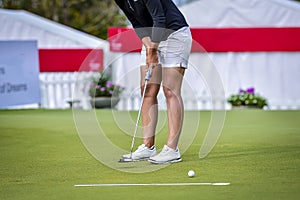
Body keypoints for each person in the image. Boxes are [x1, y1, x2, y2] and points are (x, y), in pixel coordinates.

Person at [115, 0, 192, 164]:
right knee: (147, 90)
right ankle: (148, 146)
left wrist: (153, 51)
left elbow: (160, 19)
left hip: (175, 34)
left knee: (170, 90)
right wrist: (150, 47)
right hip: (152, 37)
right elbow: (136, 22)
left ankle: (172, 149)